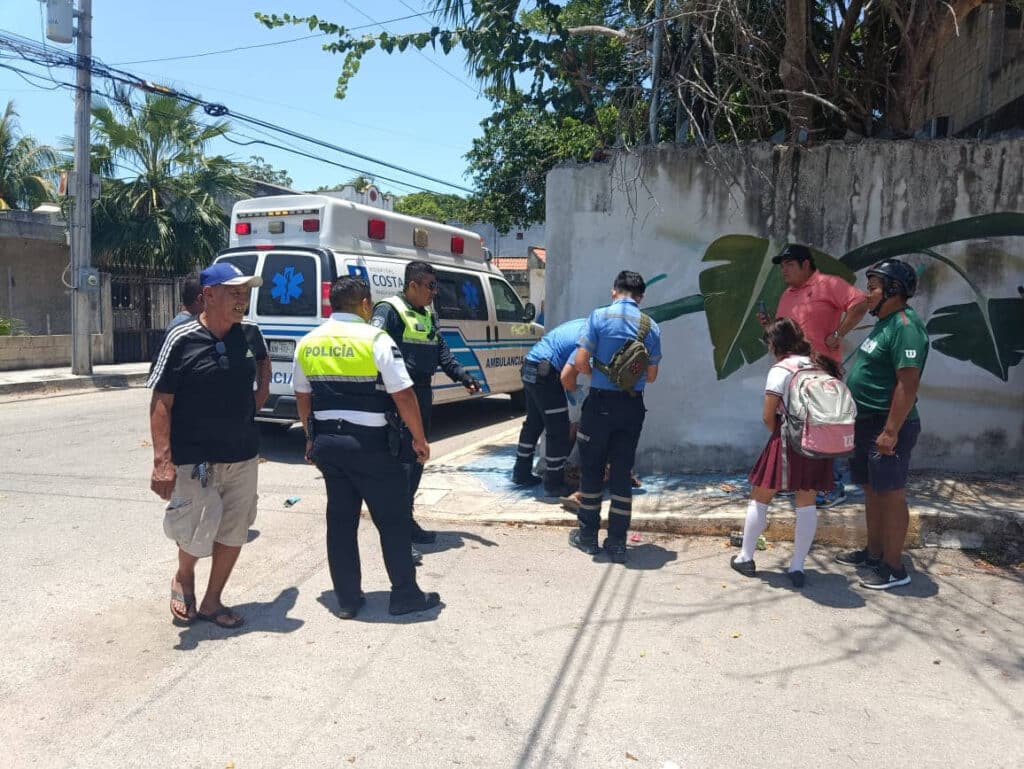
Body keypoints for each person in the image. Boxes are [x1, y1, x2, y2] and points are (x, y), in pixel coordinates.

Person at [294, 276, 441, 618]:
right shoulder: (375, 338)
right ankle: (405, 594)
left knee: (341, 521)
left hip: (329, 445)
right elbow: (403, 394)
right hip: (371, 446)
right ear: (364, 305)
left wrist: (310, 437)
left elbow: (303, 395)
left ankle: (347, 600)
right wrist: (419, 439)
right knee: (393, 520)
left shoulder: (309, 342)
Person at [148, 262, 271, 629]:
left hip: (243, 454)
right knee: (195, 528)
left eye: (245, 292)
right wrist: (162, 461)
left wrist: (260, 395)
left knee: (235, 529)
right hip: (195, 458)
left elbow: (264, 362)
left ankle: (213, 600)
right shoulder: (181, 338)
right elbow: (161, 402)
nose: (241, 299)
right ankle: (184, 577)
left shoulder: (250, 333)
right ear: (208, 296)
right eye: (233, 292)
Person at [371, 261, 481, 553]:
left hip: (421, 394)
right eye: (431, 286)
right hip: (397, 397)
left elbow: (441, 350)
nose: (435, 292)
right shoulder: (388, 311)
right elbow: (374, 352)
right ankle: (398, 534)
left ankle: (406, 522)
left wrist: (463, 375)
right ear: (413, 286)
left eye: (436, 286)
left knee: (416, 461)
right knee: (401, 466)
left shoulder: (426, 313)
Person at [835, 259, 927, 590]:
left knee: (891, 495)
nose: (867, 294)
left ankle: (894, 567)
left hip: (888, 427)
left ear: (894, 291)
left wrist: (890, 431)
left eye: (873, 287)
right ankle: (873, 554)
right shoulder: (884, 323)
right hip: (866, 421)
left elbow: (907, 384)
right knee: (873, 491)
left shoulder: (905, 326)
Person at [729, 318, 841, 588]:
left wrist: (779, 434)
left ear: (774, 344)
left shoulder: (780, 369)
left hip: (788, 439)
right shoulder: (819, 364)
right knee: (807, 501)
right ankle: (798, 566)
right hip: (819, 441)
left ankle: (745, 557)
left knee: (760, 495)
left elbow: (769, 416)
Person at [561, 271, 662, 564]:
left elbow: (580, 362)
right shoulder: (651, 327)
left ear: (614, 291)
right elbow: (652, 376)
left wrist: (599, 377)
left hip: (600, 405)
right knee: (621, 472)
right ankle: (617, 543)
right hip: (632, 408)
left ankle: (588, 537)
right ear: (641, 296)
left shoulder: (599, 317)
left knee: (591, 469)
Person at [761, 244, 868, 507]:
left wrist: (839, 333)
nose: (783, 270)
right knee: (796, 429)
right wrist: (767, 326)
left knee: (824, 428)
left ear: (806, 264)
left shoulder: (829, 284)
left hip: (820, 375)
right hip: (793, 376)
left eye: (789, 264)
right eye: (782, 265)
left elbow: (861, 302)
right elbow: (786, 334)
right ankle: (802, 482)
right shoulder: (787, 294)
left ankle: (832, 486)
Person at [512, 317, 587, 496]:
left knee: (534, 423)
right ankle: (554, 483)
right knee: (559, 428)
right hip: (545, 372)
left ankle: (520, 473)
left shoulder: (579, 324)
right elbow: (568, 375)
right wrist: (573, 389)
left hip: (530, 365)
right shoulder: (589, 335)